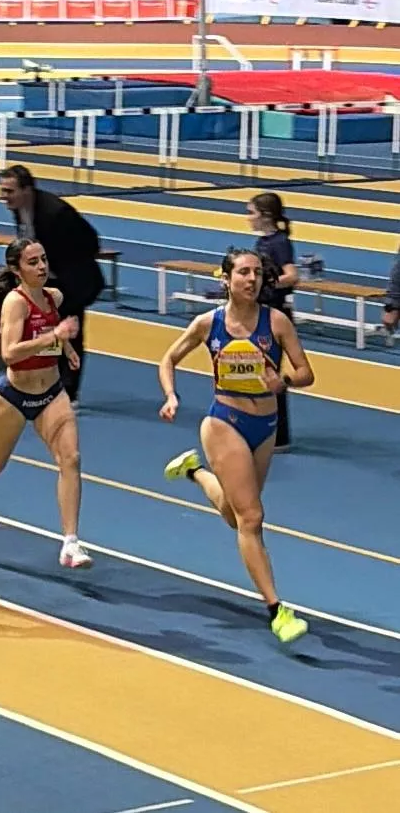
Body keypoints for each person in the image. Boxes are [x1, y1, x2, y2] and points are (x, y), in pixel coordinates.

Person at [158, 247, 314, 644]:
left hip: (266, 425)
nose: (252, 279)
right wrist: (171, 396)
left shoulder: (275, 322)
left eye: (257, 273)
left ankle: (193, 470)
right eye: (243, 272)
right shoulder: (207, 324)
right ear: (225, 279)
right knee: (252, 518)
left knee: (234, 513)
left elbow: (306, 372)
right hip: (224, 422)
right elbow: (168, 359)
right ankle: (277, 609)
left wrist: (285, 383)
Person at [0, 238, 92, 570]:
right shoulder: (16, 303)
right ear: (17, 269)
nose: (42, 266)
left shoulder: (52, 297)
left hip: (51, 394)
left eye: (43, 259)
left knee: (70, 458)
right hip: (13, 397)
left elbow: (51, 333)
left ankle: (70, 543)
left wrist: (67, 350)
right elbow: (9, 353)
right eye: (33, 262)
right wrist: (54, 338)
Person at [0, 165, 104, 407]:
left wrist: (64, 264)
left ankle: (69, 393)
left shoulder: (56, 213)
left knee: (70, 332)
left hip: (75, 280)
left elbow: (91, 241)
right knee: (45, 328)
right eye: (2, 191)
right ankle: (47, 382)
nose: (4, 196)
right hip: (49, 277)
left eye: (9, 191)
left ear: (27, 190)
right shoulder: (19, 208)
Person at [247, 192, 299, 452]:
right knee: (255, 371)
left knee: (270, 373)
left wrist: (266, 282)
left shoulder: (279, 242)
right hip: (260, 313)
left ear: (265, 215)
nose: (248, 218)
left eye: (251, 212)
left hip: (276, 315)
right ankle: (261, 428)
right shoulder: (261, 242)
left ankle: (279, 437)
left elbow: (292, 276)